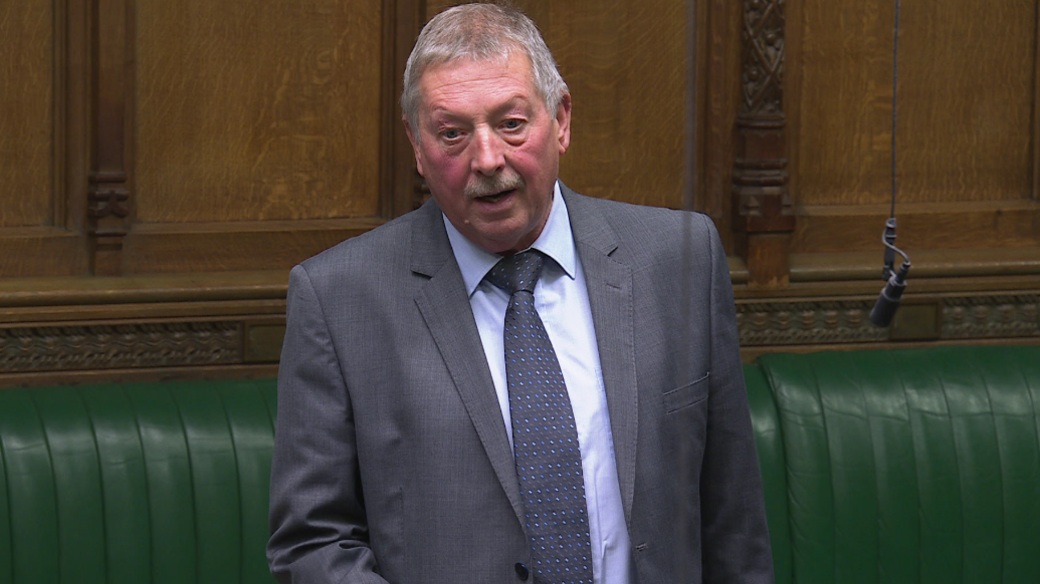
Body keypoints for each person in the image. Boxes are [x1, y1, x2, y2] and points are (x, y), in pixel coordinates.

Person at [267, 4, 773, 583]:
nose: (486, 159)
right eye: (452, 133)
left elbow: (733, 520)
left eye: (511, 124)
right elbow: (314, 542)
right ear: (416, 144)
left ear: (560, 120)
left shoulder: (679, 259)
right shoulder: (338, 299)